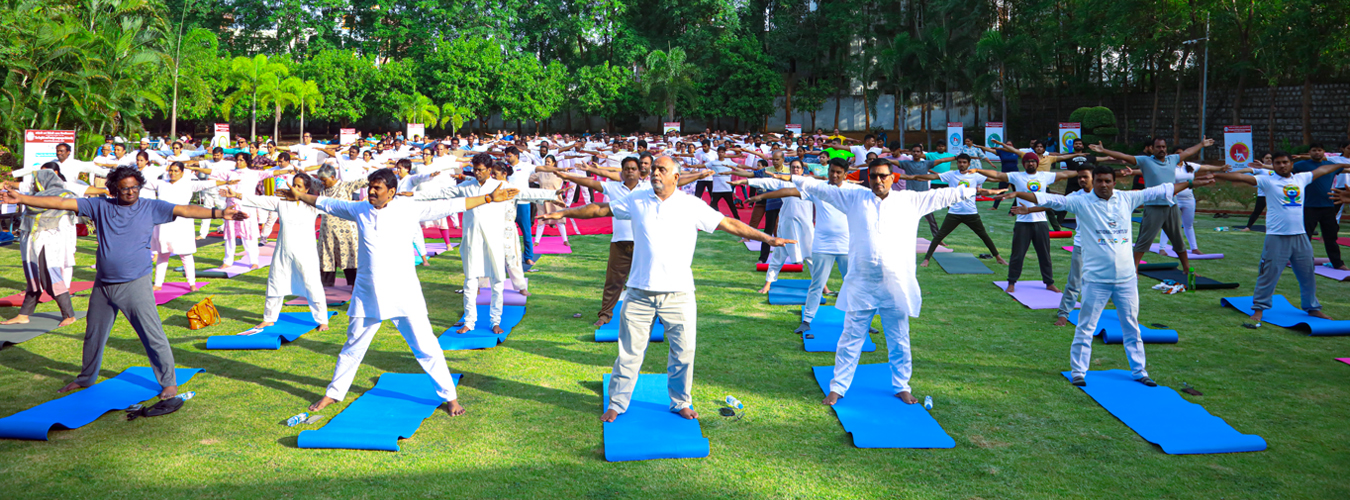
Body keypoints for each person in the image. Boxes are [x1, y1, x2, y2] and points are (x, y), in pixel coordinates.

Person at [540, 157, 791, 422]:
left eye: (662, 169)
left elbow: (729, 223)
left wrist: (767, 238)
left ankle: (680, 401)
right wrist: (563, 213)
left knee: (683, 353)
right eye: (654, 169)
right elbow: (600, 210)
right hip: (638, 293)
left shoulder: (690, 204)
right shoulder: (637, 200)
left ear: (675, 176)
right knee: (629, 353)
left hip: (679, 293)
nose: (655, 173)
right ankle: (617, 403)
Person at [281, 168, 520, 417]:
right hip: (368, 294)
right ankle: (333, 393)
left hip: (403, 293)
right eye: (370, 186)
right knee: (352, 347)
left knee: (426, 347)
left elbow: (451, 205)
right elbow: (326, 203)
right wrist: (299, 196)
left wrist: (490, 198)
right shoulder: (359, 209)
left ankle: (450, 397)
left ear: (391, 192)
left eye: (377, 188)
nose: (371, 191)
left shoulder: (407, 208)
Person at [0, 166, 248, 399]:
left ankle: (168, 382)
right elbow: (60, 202)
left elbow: (185, 210)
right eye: (124, 188)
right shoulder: (99, 206)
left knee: (152, 335)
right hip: (103, 285)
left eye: (134, 187)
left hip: (135, 284)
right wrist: (21, 198)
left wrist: (219, 213)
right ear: (114, 189)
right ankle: (86, 378)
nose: (130, 192)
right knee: (94, 334)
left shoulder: (150, 207)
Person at [776, 161, 994, 405]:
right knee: (850, 338)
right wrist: (792, 178)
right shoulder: (854, 198)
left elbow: (942, 195)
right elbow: (822, 189)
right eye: (873, 176)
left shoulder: (908, 200)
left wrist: (974, 191)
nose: (877, 181)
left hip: (895, 284)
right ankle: (837, 388)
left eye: (882, 176)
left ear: (893, 178)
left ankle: (901, 386)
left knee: (899, 339)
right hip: (862, 283)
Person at [1006, 165, 1208, 386]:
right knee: (1086, 327)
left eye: (1107, 181)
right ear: (1096, 181)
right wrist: (1018, 193)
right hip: (1096, 280)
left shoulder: (1127, 198)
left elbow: (1161, 190)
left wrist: (1191, 183)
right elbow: (1049, 198)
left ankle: (1140, 371)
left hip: (1127, 279)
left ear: (1114, 182)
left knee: (1131, 326)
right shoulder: (1080, 201)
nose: (1103, 185)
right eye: (1100, 181)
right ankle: (1078, 372)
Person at [413, 154, 557, 334]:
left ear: (490, 170)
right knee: (470, 280)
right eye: (475, 169)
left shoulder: (501, 186)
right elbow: (442, 193)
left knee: (497, 280)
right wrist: (413, 195)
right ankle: (469, 321)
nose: (477, 173)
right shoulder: (467, 186)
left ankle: (495, 321)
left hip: (494, 240)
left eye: (481, 170)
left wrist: (553, 194)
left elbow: (527, 193)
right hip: (472, 240)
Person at [1210, 153, 1346, 325]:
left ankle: (1312, 308)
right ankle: (1259, 309)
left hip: (1300, 236)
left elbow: (1324, 169)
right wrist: (1216, 174)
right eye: (1278, 163)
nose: (1282, 166)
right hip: (1277, 237)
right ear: (1273, 165)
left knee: (1307, 275)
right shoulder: (1268, 180)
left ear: (1291, 164)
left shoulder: (1301, 178)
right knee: (1268, 274)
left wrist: (1338, 166)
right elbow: (1242, 177)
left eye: (1285, 162)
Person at [221, 172, 329, 331]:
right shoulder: (281, 202)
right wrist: (236, 194)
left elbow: (335, 206)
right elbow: (259, 200)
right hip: (283, 252)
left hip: (306, 253)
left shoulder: (313, 204)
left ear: (306, 189)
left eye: (299, 186)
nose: (294, 188)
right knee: (275, 282)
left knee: (312, 285)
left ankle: (322, 320)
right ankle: (269, 318)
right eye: (293, 184)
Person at [1089, 137, 1213, 273]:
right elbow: (1125, 156)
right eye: (1158, 147)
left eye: (1164, 147)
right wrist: (1104, 150)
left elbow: (1188, 152)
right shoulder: (1145, 161)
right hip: (1153, 207)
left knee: (1178, 240)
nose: (1162, 149)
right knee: (1144, 240)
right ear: (1152, 149)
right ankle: (1133, 270)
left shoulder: (1173, 159)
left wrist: (1201, 144)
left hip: (1171, 206)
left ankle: (1186, 268)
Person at [0, 168, 102, 327]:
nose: (33, 185)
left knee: (50, 277)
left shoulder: (64, 194)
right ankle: (23, 315)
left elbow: (80, 211)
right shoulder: (36, 196)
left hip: (48, 241)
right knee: (34, 279)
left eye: (35, 182)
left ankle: (69, 315)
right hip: (33, 241)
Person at [971, 152, 1077, 293]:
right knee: (1017, 254)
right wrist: (978, 170)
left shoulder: (1045, 176)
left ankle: (1049, 282)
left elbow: (1066, 174)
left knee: (1044, 254)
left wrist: (1084, 172)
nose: (1031, 163)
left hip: (1041, 222)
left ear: (1037, 163)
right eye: (1028, 161)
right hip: (1023, 222)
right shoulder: (1017, 176)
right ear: (1024, 164)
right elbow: (997, 175)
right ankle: (1012, 282)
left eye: (1033, 161)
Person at [146, 162, 237, 290]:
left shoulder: (188, 184)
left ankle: (192, 283)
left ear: (182, 173)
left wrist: (225, 182)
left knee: (186, 254)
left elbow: (206, 184)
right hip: (164, 223)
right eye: (171, 170)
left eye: (176, 171)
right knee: (163, 254)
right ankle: (158, 284)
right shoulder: (161, 183)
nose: (172, 173)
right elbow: (140, 182)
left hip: (182, 223)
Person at [912, 153, 1008, 267]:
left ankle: (998, 257)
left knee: (984, 235)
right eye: (959, 162)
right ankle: (926, 259)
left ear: (968, 164)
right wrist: (915, 177)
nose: (961, 164)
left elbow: (993, 178)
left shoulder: (975, 175)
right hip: (954, 212)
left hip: (971, 212)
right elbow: (934, 177)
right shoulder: (951, 175)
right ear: (957, 163)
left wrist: (1007, 180)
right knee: (939, 236)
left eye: (964, 162)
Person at [734, 159, 815, 293]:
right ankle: (767, 285)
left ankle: (823, 287)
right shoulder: (783, 183)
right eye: (793, 167)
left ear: (802, 170)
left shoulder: (809, 184)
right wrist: (745, 181)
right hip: (787, 225)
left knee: (812, 257)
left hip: (805, 226)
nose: (795, 169)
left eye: (798, 168)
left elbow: (827, 184)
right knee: (778, 256)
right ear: (789, 170)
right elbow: (766, 182)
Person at [1292, 144, 1347, 271]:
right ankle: (1302, 261)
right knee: (1305, 236)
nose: (1317, 153)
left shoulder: (1331, 166)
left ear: (1324, 152)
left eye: (1320, 150)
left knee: (1331, 237)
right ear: (1309, 152)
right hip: (1309, 206)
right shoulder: (1301, 165)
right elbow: (1282, 170)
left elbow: (1345, 169)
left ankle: (1338, 263)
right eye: (1314, 150)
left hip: (1327, 207)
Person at [313, 165, 366, 287]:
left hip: (346, 232)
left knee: (350, 257)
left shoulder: (345, 186)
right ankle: (325, 287)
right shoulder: (321, 187)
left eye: (324, 180)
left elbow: (365, 181)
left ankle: (354, 286)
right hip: (327, 231)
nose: (322, 182)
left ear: (332, 177)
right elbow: (309, 180)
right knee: (326, 257)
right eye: (321, 180)